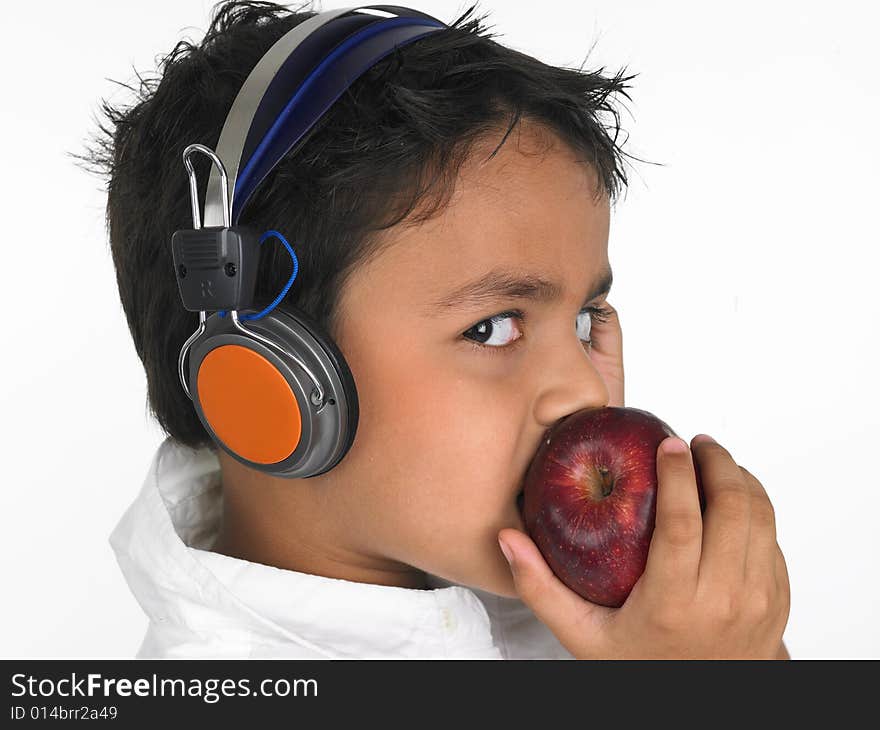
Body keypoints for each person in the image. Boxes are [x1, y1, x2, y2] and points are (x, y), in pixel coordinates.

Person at [81, 0, 790, 658]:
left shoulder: (606, 615)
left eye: (582, 319)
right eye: (491, 329)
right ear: (267, 381)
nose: (582, 389)